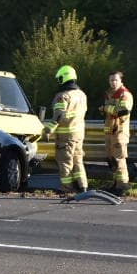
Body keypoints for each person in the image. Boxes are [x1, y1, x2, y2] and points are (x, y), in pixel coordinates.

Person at [44, 64, 89, 195]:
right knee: (78, 161)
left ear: (63, 78)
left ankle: (67, 189)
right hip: (79, 135)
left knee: (65, 162)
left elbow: (59, 115)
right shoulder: (82, 95)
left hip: (66, 136)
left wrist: (48, 130)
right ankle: (83, 187)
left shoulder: (62, 96)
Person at [101, 70, 134, 191]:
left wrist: (106, 108)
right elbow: (111, 113)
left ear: (121, 81)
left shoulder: (124, 94)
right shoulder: (110, 94)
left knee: (119, 159)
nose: (113, 82)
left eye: (115, 80)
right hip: (110, 132)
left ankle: (123, 186)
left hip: (119, 132)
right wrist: (104, 110)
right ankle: (115, 184)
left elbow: (123, 112)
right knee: (112, 160)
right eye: (111, 80)